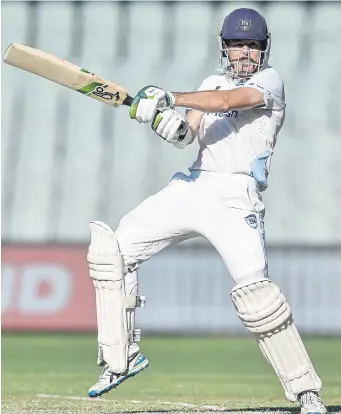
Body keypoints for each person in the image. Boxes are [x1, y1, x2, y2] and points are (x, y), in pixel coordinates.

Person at [86, 8, 327, 414]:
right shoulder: (210, 81)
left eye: (253, 46)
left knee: (257, 294)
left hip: (236, 196)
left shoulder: (270, 81)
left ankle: (307, 392)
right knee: (114, 249)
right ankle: (119, 359)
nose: (245, 54)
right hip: (196, 185)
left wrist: (169, 96)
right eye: (238, 45)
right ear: (225, 48)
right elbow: (188, 133)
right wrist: (165, 122)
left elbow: (232, 101)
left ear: (264, 49)